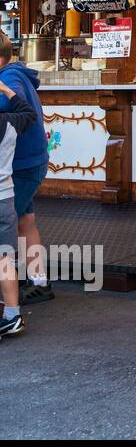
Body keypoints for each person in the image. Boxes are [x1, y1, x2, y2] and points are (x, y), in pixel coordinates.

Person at [0, 36, 50, 303]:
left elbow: (12, 101)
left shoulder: (10, 78)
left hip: (19, 167)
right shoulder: (15, 72)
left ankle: (8, 299)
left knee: (3, 230)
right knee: (25, 222)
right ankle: (39, 281)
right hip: (31, 161)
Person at [0, 76, 38, 338]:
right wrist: (5, 89)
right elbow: (28, 112)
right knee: (4, 258)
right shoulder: (10, 123)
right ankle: (12, 314)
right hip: (5, 198)